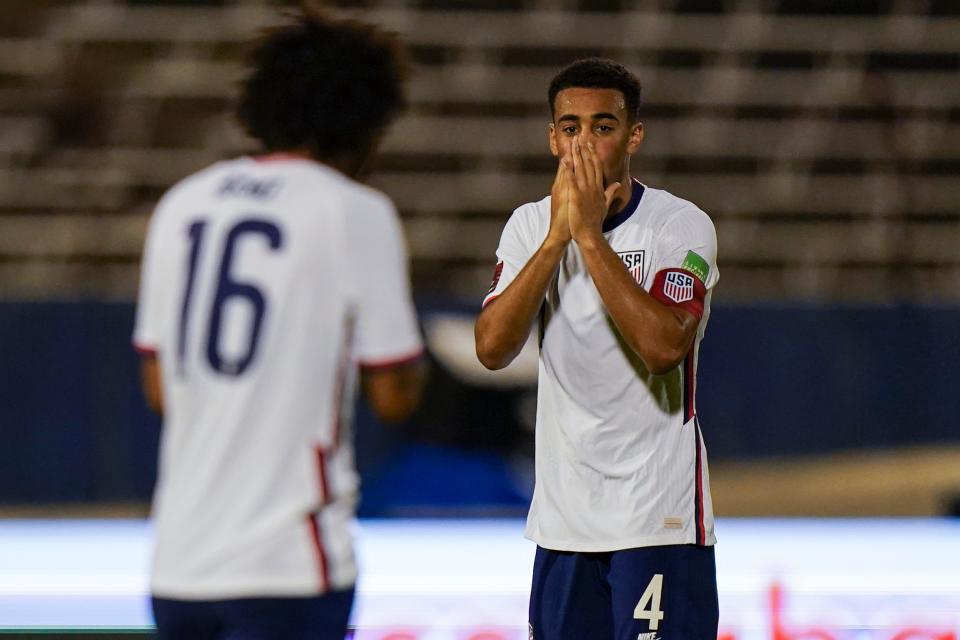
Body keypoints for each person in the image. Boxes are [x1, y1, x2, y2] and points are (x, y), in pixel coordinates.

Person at [133, 10, 425, 639]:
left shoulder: (183, 203)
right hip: (289, 566)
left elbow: (161, 388)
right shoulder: (355, 212)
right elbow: (394, 393)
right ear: (365, 118)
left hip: (179, 566)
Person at [475, 58, 720, 639]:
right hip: (563, 524)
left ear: (634, 135)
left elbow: (664, 346)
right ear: (552, 137)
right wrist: (560, 234)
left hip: (657, 517)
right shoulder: (529, 225)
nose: (584, 143)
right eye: (571, 127)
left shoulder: (679, 226)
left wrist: (587, 236)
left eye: (603, 127)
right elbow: (491, 348)